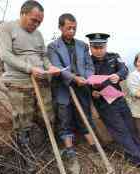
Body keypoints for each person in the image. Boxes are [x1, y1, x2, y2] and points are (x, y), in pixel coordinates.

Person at [0, 0, 60, 171]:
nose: (37, 24)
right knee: (23, 121)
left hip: (41, 80)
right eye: (34, 20)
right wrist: (29, 68)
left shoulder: (38, 35)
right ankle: (26, 158)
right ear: (22, 14)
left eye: (40, 21)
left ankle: (46, 150)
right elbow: (5, 55)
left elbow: (43, 56)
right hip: (19, 82)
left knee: (48, 116)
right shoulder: (6, 28)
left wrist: (49, 67)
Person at [86, 33, 140, 173]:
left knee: (131, 127)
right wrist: (91, 92)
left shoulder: (114, 56)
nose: (98, 50)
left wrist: (118, 75)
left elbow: (124, 70)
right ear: (90, 47)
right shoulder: (87, 61)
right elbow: (84, 80)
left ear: (105, 46)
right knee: (120, 131)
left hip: (118, 98)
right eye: (95, 47)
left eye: (101, 47)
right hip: (103, 103)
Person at [47, 13, 96, 172]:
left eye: (74, 28)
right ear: (60, 27)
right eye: (69, 28)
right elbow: (57, 67)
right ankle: (70, 152)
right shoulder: (53, 47)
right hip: (63, 88)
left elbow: (89, 66)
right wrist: (74, 78)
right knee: (65, 118)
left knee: (85, 116)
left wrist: (86, 78)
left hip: (82, 87)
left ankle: (94, 147)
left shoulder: (82, 45)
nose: (72, 31)